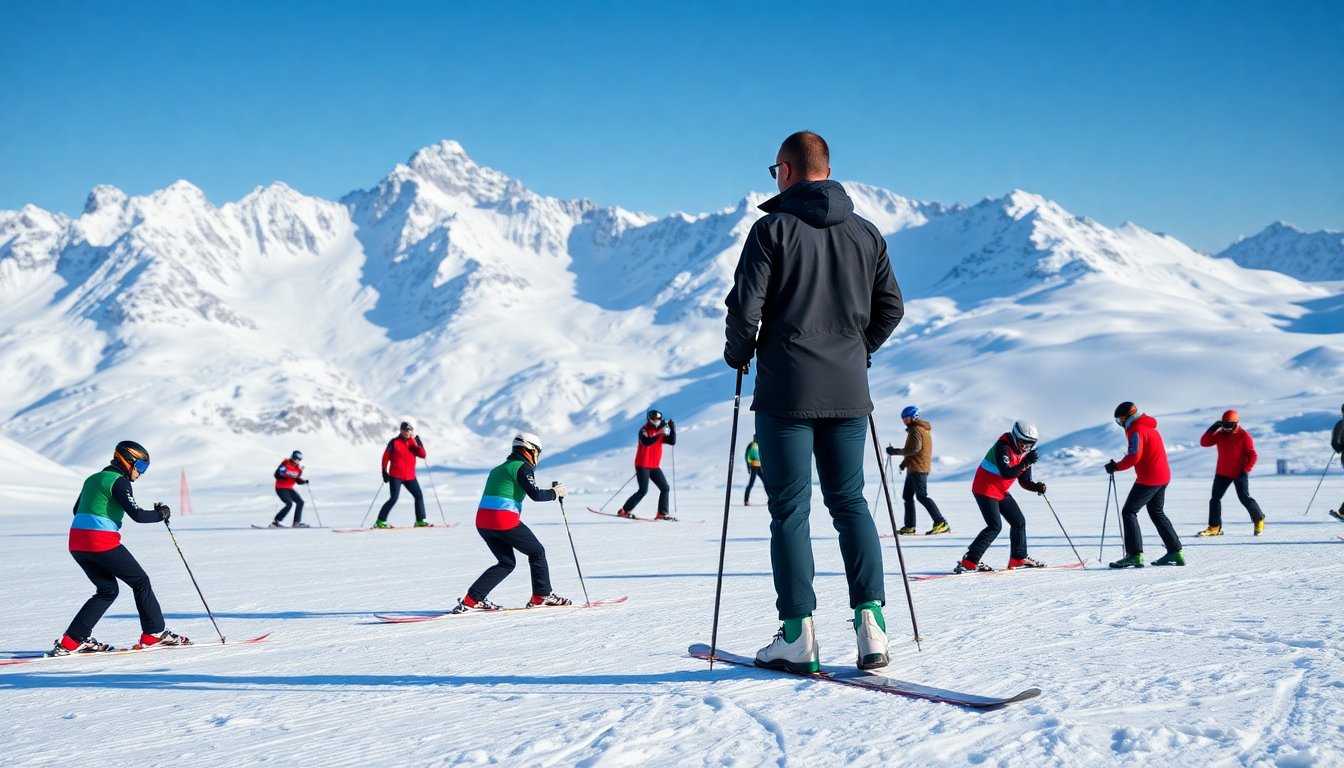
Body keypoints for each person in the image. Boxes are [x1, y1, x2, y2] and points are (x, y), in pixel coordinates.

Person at [724, 130, 904, 672]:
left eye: (773, 171)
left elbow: (745, 309)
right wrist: (855, 352)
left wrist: (740, 355)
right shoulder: (867, 233)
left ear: (785, 170)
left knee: (790, 512)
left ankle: (798, 635)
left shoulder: (771, 230)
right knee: (851, 504)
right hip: (850, 393)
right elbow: (891, 308)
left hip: (786, 392)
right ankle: (872, 627)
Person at [51, 441, 189, 655]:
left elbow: (76, 509)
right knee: (141, 582)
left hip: (77, 543)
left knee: (107, 590)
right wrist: (161, 513)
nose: (141, 473)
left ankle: (72, 640)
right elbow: (138, 516)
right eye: (141, 467)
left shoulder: (93, 479)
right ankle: (154, 633)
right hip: (101, 541)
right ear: (128, 461)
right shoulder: (120, 482)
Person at [452, 433, 572, 612]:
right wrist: (556, 493)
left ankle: (472, 599)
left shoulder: (498, 468)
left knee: (506, 563)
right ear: (530, 450)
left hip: (483, 522)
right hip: (503, 520)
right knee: (537, 552)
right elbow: (536, 495)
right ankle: (542, 595)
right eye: (537, 452)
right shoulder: (522, 467)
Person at [956, 421, 1047, 573]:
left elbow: (1024, 481)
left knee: (1018, 522)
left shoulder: (1026, 454)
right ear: (1016, 436)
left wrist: (1035, 487)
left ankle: (1018, 558)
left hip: (1000, 490)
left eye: (1030, 444)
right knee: (994, 526)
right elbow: (1007, 473)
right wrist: (1026, 462)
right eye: (1023, 443)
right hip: (984, 488)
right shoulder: (1002, 447)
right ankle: (969, 562)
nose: (1026, 447)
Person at [1106, 402, 1185, 568]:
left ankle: (1134, 555)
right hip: (1162, 476)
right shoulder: (1149, 427)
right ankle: (1175, 552)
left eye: (1120, 419)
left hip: (1149, 479)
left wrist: (1116, 466)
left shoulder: (1136, 429)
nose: (1120, 423)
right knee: (1157, 512)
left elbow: (1134, 456)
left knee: (1129, 511)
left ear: (1127, 416)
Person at [1196, 410, 1265, 537]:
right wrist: (1214, 427)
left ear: (1236, 423)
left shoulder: (1244, 436)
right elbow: (1204, 442)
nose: (1227, 428)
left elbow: (1252, 455)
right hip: (1222, 472)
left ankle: (1258, 519)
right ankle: (1215, 527)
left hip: (1239, 472)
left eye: (1229, 425)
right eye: (1224, 425)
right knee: (1215, 499)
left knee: (1244, 498)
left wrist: (1246, 470)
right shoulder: (1220, 434)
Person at [885, 405, 949, 535]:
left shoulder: (916, 430)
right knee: (907, 496)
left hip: (918, 468)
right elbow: (914, 451)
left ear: (913, 417)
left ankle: (940, 522)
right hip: (914, 467)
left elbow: (914, 449)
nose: (904, 420)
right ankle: (909, 527)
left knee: (922, 496)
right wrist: (904, 464)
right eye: (903, 418)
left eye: (906, 417)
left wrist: (895, 452)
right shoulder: (919, 429)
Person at [615, 409, 677, 520]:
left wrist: (673, 430)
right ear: (649, 418)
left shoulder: (659, 433)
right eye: (654, 418)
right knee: (643, 491)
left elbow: (672, 442)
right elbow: (647, 442)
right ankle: (624, 511)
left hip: (654, 466)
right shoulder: (644, 430)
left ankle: (662, 514)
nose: (656, 420)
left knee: (665, 488)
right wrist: (660, 433)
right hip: (642, 464)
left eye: (658, 418)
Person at [375, 419, 430, 528]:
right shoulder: (394, 442)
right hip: (396, 476)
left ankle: (420, 520)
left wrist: (418, 442)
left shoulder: (412, 443)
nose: (406, 432)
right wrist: (384, 471)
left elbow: (423, 455)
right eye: (404, 430)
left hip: (410, 477)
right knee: (393, 498)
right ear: (400, 431)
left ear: (411, 432)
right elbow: (386, 457)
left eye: (408, 430)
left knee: (418, 495)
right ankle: (380, 521)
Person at [270, 450, 309, 528]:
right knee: (289, 503)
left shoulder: (298, 469)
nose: (297, 460)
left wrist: (303, 482)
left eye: (299, 459)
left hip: (289, 489)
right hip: (281, 488)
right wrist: (282, 477)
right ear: (292, 457)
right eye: (296, 458)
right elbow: (277, 474)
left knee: (300, 502)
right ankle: (275, 523)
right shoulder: (285, 464)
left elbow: (297, 480)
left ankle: (296, 523)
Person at [744, 434, 764, 505]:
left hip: (759, 466)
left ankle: (770, 498)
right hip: (753, 465)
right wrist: (748, 466)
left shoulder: (760, 445)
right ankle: (746, 500)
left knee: (766, 483)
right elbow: (746, 455)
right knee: (751, 483)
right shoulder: (751, 445)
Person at [1332, 403, 1344, 522]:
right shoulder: (1340, 424)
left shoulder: (1340, 424)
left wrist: (1339, 447)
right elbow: (1335, 443)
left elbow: (1335, 444)